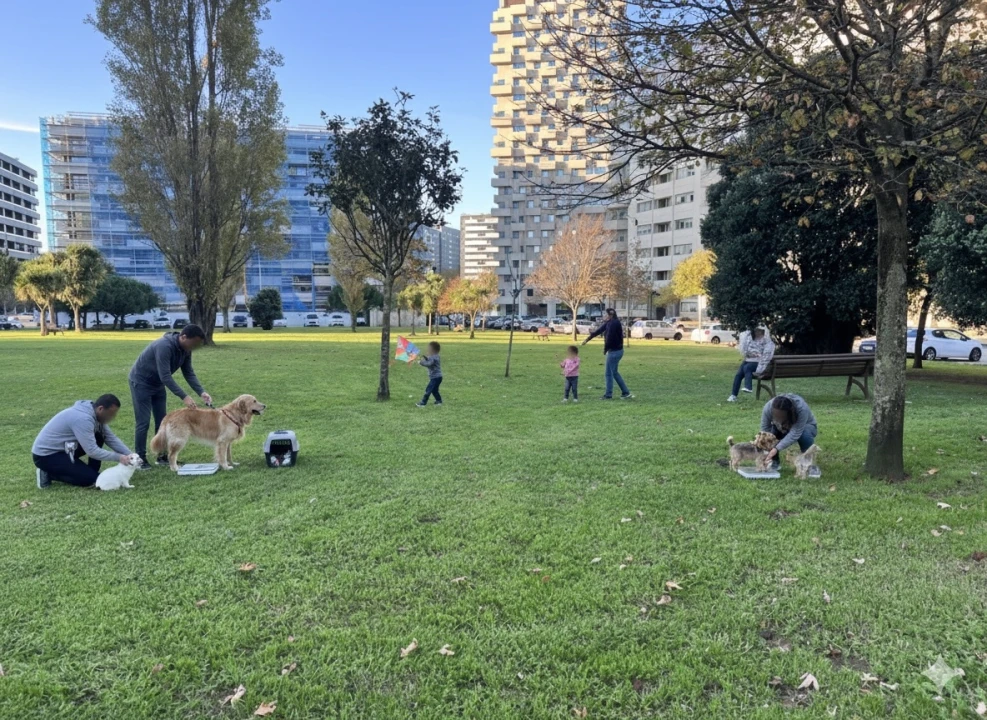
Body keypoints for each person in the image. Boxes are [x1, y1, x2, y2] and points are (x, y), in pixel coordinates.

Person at [129, 325, 212, 468]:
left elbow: (188, 372)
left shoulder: (186, 350)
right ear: (183, 337)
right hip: (141, 383)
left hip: (158, 384)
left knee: (162, 421)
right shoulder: (164, 346)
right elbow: (165, 376)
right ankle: (140, 459)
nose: (194, 347)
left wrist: (201, 392)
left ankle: (162, 456)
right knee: (143, 422)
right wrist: (184, 396)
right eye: (193, 343)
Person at [32, 394, 134, 489]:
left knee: (99, 436)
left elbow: (110, 438)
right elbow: (92, 451)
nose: (113, 417)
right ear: (101, 408)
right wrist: (119, 457)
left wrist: (131, 455)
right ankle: (48, 473)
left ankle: (90, 471)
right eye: (111, 414)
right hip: (47, 456)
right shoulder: (83, 419)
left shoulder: (96, 415)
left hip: (66, 449)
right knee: (92, 480)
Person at [582, 308, 634, 400]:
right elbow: (598, 331)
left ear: (610, 315)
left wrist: (605, 349)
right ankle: (623, 393)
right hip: (615, 351)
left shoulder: (614, 323)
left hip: (614, 351)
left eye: (605, 314)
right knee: (613, 372)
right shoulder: (609, 322)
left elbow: (610, 338)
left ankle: (612, 394)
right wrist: (587, 339)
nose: (604, 316)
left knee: (610, 373)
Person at [761, 394, 818, 468]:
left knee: (805, 434)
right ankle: (773, 462)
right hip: (781, 428)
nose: (778, 419)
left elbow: (795, 433)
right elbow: (765, 431)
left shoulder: (801, 409)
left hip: (805, 427)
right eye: (776, 416)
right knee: (770, 436)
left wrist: (776, 448)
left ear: (789, 413)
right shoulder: (768, 408)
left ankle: (809, 464)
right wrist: (766, 448)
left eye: (781, 416)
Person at [728, 328, 775, 402]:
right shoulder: (750, 339)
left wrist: (758, 355)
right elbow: (745, 350)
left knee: (747, 367)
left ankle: (748, 387)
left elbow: (767, 355)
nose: (757, 332)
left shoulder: (767, 341)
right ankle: (733, 395)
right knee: (738, 375)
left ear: (763, 331)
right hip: (748, 360)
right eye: (756, 330)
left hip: (759, 363)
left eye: (759, 330)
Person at [416, 342, 443, 407]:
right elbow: (430, 360)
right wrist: (426, 358)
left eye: (429, 349)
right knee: (434, 390)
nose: (427, 350)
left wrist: (421, 362)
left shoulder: (433, 357)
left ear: (433, 350)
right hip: (438, 377)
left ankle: (423, 403)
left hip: (435, 378)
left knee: (428, 389)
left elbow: (429, 363)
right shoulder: (436, 356)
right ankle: (439, 400)